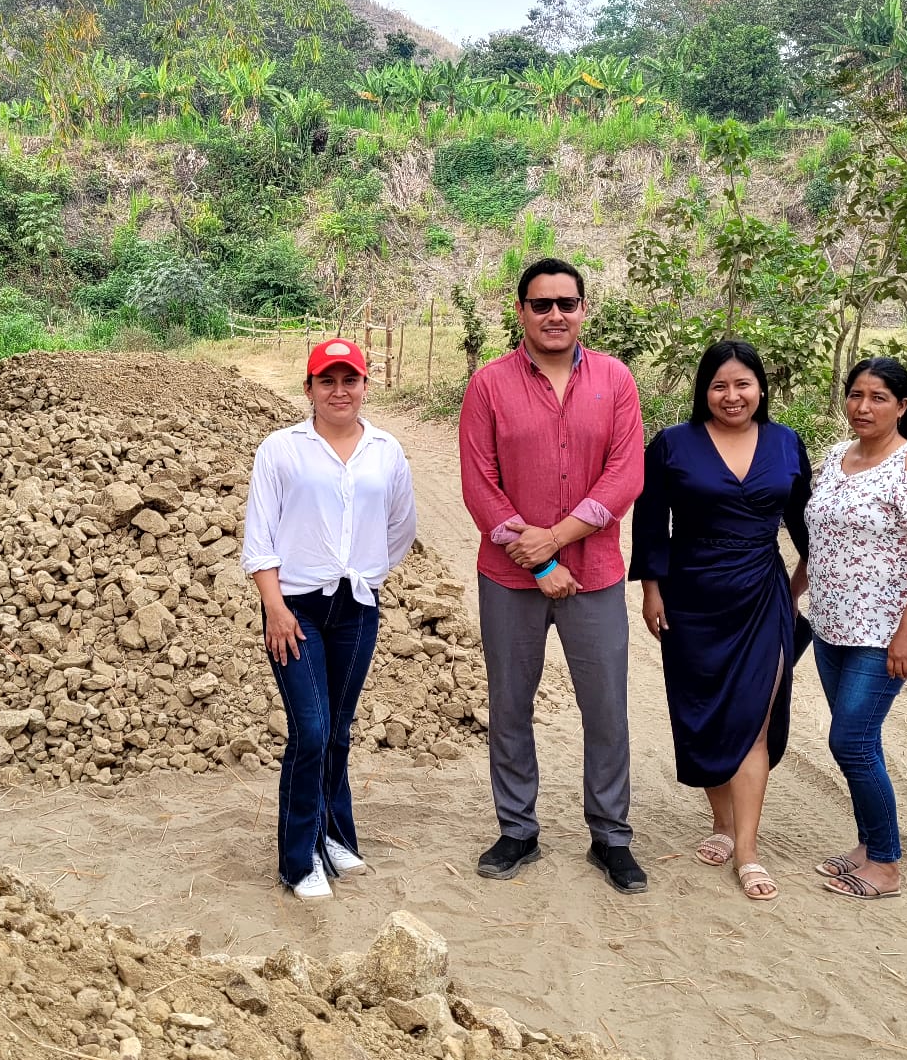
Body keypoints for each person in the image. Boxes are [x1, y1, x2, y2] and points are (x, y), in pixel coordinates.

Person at [458, 257, 648, 894]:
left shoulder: (616, 381)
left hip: (594, 574)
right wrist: (539, 561)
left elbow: (625, 476)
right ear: (521, 312)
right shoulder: (488, 385)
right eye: (541, 304)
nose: (555, 315)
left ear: (584, 310)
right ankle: (517, 829)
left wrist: (558, 540)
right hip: (510, 578)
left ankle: (610, 836)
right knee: (510, 705)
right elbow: (480, 486)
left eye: (567, 303)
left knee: (607, 707)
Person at [631, 340, 810, 902]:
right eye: (719, 386)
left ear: (761, 388)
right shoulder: (672, 444)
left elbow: (808, 525)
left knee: (753, 719)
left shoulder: (786, 443)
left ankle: (748, 851)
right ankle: (723, 825)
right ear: (703, 391)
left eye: (743, 384)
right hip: (691, 598)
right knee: (704, 714)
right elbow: (650, 522)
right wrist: (652, 591)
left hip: (761, 596)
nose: (732, 396)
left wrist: (796, 587)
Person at [242, 338, 418, 901]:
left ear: (366, 385)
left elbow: (401, 527)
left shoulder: (386, 451)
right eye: (327, 381)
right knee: (311, 730)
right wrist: (275, 608)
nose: (339, 391)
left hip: (357, 606)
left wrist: (368, 571)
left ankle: (335, 835)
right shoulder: (281, 450)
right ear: (309, 388)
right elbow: (259, 537)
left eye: (350, 380)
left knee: (338, 728)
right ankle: (299, 860)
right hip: (295, 609)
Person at [805, 356, 907, 900]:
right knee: (861, 741)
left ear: (902, 406)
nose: (863, 407)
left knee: (850, 741)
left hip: (883, 634)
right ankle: (868, 846)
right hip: (831, 626)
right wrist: (793, 593)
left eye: (878, 398)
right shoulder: (835, 458)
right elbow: (819, 540)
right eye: (855, 395)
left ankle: (886, 865)